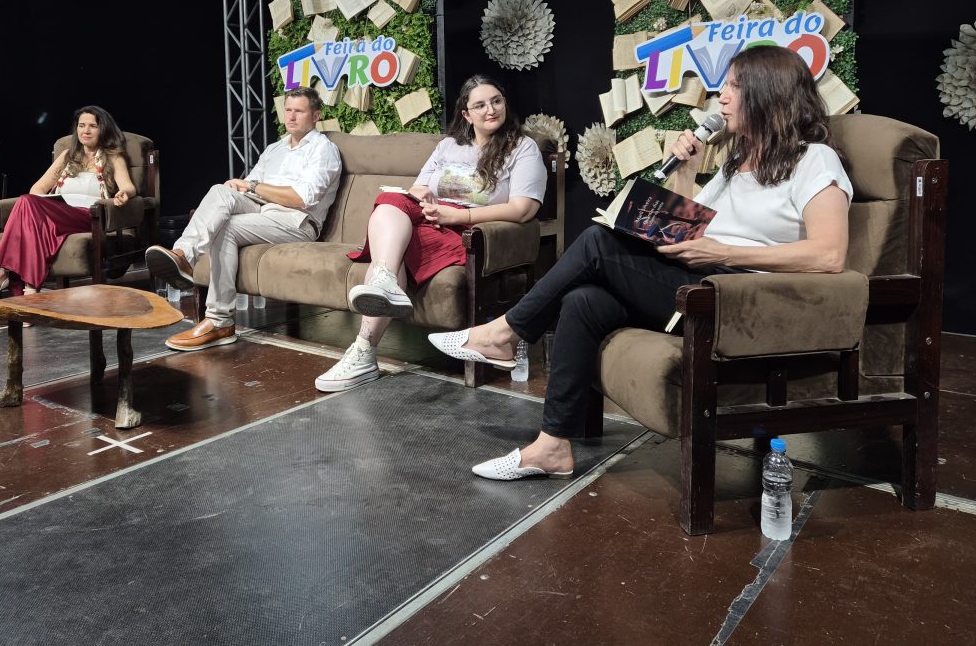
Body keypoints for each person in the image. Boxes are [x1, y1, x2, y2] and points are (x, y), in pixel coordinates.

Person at [431, 46, 853, 480]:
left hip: (745, 296)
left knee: (597, 242)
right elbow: (689, 226)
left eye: (733, 87)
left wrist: (724, 253)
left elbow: (829, 254)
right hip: (699, 282)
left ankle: (505, 333)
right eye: (723, 85)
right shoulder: (733, 164)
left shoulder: (814, 159)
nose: (721, 98)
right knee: (583, 300)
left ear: (769, 94)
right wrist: (685, 173)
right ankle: (552, 446)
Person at [313, 74, 547, 393]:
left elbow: (524, 209)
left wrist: (458, 214)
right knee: (391, 200)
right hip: (430, 219)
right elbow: (418, 187)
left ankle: (364, 351)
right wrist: (425, 197)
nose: (490, 109)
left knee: (400, 245)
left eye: (496, 101)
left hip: (468, 230)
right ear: (466, 114)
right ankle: (382, 282)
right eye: (480, 105)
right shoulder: (450, 145)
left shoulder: (523, 147)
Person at [147, 86, 342, 352]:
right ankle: (183, 255)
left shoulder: (323, 149)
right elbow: (250, 182)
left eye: (299, 111)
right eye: (288, 110)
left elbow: (302, 198)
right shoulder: (275, 148)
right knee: (220, 190)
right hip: (262, 211)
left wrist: (252, 187)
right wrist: (239, 186)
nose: (291, 116)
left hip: (296, 222)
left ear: (316, 115)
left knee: (227, 228)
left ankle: (219, 322)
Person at [0, 106, 135, 301]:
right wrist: (48, 205)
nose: (85, 131)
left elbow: (128, 187)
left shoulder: (113, 156)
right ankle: (30, 292)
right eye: (81, 125)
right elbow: (38, 189)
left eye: (93, 126)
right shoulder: (68, 156)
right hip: (59, 211)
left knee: (27, 202)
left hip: (88, 216)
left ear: (104, 129)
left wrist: (123, 194)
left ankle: (0, 272)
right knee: (28, 202)